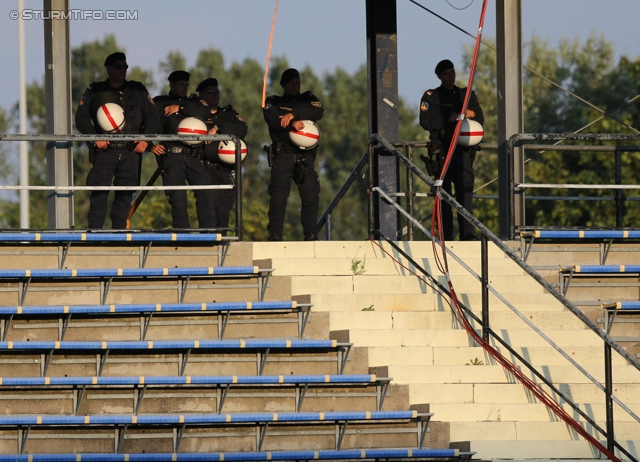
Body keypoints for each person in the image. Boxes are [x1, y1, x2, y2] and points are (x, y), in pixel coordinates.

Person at [75, 52, 158, 229]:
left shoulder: (138, 89)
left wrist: (146, 139)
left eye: (125, 66)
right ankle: (95, 235)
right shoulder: (95, 90)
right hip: (105, 151)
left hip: (131, 151)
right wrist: (94, 137)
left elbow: (152, 116)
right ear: (108, 68)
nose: (123, 70)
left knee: (125, 195)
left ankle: (119, 235)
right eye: (119, 66)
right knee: (99, 194)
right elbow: (81, 118)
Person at [419, 59, 484, 241]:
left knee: (466, 191)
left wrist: (470, 114)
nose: (450, 77)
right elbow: (426, 122)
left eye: (452, 73)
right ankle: (446, 235)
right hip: (441, 152)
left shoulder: (465, 95)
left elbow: (480, 119)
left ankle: (468, 233)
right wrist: (450, 119)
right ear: (439, 76)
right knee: (443, 194)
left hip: (462, 151)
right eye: (446, 74)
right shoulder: (431, 96)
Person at [263, 68, 324, 241]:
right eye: (291, 83)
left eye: (297, 82)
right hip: (283, 155)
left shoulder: (308, 98)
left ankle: (311, 233)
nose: (295, 85)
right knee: (279, 195)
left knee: (311, 194)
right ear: (283, 85)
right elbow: (273, 120)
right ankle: (275, 235)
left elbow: (318, 111)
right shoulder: (274, 101)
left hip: (305, 156)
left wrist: (293, 115)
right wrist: (292, 124)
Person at [150, 71, 216, 230]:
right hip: (172, 155)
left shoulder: (194, 103)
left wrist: (180, 108)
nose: (185, 88)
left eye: (187, 85)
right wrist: (150, 146)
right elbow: (146, 123)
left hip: (193, 156)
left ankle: (208, 232)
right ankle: (182, 232)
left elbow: (205, 112)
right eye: (181, 84)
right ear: (172, 84)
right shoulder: (160, 103)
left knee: (205, 191)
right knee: (178, 196)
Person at [197, 78, 248, 235]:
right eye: (210, 92)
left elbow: (242, 128)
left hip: (225, 171)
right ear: (202, 95)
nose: (214, 95)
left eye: (216, 91)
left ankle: (221, 241)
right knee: (207, 210)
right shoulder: (197, 115)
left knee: (223, 210)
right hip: (205, 170)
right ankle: (207, 243)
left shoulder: (228, 114)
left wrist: (218, 129)